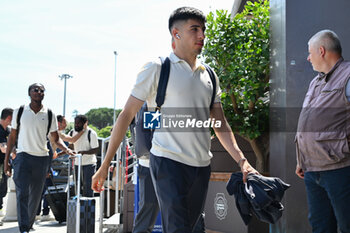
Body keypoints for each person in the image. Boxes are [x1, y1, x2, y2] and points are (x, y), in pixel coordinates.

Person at [92, 7, 257, 233]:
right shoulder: (157, 69)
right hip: (167, 162)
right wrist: (104, 166)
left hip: (201, 166)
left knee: (192, 227)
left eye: (203, 30)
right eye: (195, 29)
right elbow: (126, 115)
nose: (202, 35)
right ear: (176, 34)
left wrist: (241, 160)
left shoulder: (209, 75)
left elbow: (220, 123)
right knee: (179, 228)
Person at [295, 30, 350, 232]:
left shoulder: (348, 76)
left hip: (340, 169)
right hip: (312, 170)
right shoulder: (316, 82)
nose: (308, 58)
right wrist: (301, 159)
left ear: (321, 51)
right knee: (320, 226)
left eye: (310, 53)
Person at [4, 83, 74, 233]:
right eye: (35, 90)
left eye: (41, 90)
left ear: (44, 94)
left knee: (35, 198)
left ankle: (27, 225)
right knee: (22, 193)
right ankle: (24, 229)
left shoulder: (50, 114)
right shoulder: (20, 111)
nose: (38, 92)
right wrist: (6, 162)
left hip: (41, 159)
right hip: (22, 158)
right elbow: (12, 136)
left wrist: (67, 149)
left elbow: (55, 139)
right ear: (29, 93)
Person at [70, 114, 99, 197]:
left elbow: (96, 150)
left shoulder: (91, 133)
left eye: (79, 123)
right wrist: (72, 151)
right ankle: (78, 207)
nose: (76, 125)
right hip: (76, 164)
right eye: (75, 123)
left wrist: (84, 152)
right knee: (77, 187)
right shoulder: (72, 132)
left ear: (85, 123)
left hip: (89, 164)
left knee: (88, 187)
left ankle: (88, 207)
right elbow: (70, 145)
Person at [0, 108, 13, 224]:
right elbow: (3, 148)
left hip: (5, 163)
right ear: (9, 118)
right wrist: (13, 152)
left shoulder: (8, 131)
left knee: (3, 189)